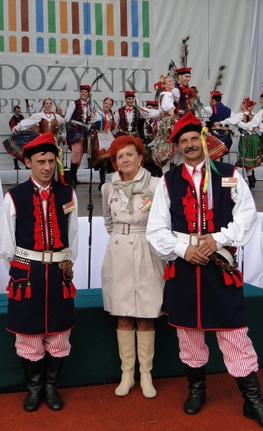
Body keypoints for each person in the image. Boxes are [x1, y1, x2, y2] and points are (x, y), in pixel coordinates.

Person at [145, 113, 263, 431]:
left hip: (219, 265)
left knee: (234, 334)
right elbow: (156, 228)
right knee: (188, 335)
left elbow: (247, 214)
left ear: (204, 141)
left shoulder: (229, 174)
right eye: (184, 141)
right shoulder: (168, 181)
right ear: (178, 147)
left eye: (195, 139)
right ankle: (197, 390)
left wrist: (218, 239)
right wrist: (184, 250)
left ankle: (253, 401)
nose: (190, 145)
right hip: (184, 268)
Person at [0, 132, 79, 412]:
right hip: (27, 274)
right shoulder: (14, 196)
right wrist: (24, 268)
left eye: (50, 161)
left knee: (59, 333)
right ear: (28, 163)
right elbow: (7, 244)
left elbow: (73, 236)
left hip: (58, 272)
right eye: (40, 161)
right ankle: (33, 389)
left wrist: (65, 263)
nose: (47, 167)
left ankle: (50, 387)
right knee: (28, 334)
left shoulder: (67, 193)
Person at [100, 135, 165, 399]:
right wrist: (121, 237)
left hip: (147, 249)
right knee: (123, 314)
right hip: (119, 253)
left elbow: (164, 220)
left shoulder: (157, 185)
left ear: (140, 157)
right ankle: (127, 373)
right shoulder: (108, 188)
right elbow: (108, 221)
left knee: (146, 313)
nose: (125, 160)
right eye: (119, 156)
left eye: (129, 154)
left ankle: (146, 374)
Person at [219, 97, 263, 189]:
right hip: (254, 137)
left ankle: (251, 181)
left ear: (245, 105)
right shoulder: (254, 115)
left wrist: (221, 122)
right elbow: (260, 125)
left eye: (242, 103)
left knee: (247, 160)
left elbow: (231, 120)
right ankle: (252, 180)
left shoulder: (241, 115)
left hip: (246, 138)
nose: (240, 104)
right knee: (250, 160)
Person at [64, 84, 101, 188]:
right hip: (74, 129)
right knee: (76, 151)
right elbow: (67, 118)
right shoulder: (74, 103)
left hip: (83, 130)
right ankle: (72, 177)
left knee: (80, 153)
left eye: (86, 92)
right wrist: (64, 133)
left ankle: (73, 175)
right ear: (80, 93)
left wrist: (100, 118)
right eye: (82, 92)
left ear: (88, 94)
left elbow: (94, 117)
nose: (84, 93)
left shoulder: (89, 106)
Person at [91, 96, 116, 189]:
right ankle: (102, 180)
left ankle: (107, 180)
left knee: (110, 157)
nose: (107, 105)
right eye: (106, 103)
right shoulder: (98, 114)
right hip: (100, 137)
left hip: (109, 137)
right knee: (102, 159)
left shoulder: (112, 115)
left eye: (109, 104)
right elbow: (90, 122)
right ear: (103, 103)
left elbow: (112, 129)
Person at [207, 91, 233, 160]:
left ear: (213, 100)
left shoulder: (210, 109)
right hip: (226, 138)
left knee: (215, 155)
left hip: (215, 138)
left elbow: (199, 113)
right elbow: (233, 120)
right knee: (220, 156)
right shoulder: (229, 110)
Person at [8, 105, 26, 170]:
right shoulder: (12, 119)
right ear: (14, 111)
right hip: (16, 137)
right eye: (17, 111)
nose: (19, 113)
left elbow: (25, 124)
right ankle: (16, 165)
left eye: (19, 111)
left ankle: (26, 164)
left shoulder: (21, 117)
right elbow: (13, 129)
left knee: (24, 151)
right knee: (16, 151)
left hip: (22, 136)